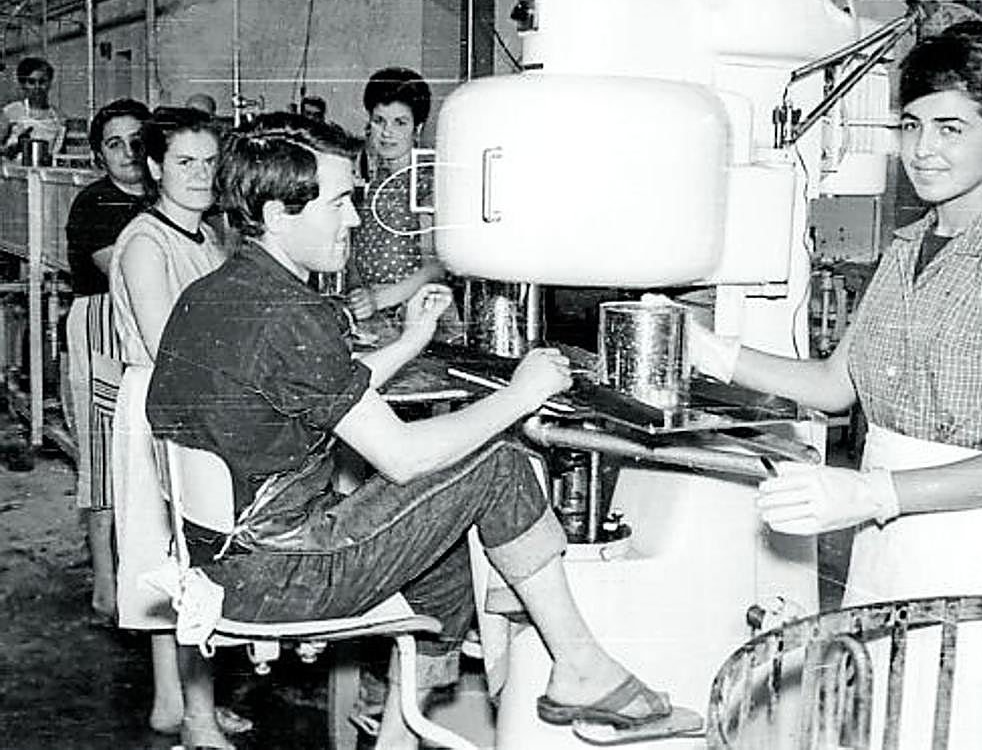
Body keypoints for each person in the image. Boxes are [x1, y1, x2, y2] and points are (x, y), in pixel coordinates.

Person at [145, 112, 673, 743]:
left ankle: (400, 734)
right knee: (495, 466)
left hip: (216, 560)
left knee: (442, 546)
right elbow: (400, 455)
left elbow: (314, 385)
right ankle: (581, 666)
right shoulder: (292, 315)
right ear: (280, 214)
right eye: (339, 202)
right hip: (282, 573)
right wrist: (521, 395)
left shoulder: (216, 292)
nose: (354, 219)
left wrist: (412, 339)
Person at [688, 22, 982, 748]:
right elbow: (837, 385)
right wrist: (709, 351)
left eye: (950, 129)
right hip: (891, 537)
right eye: (911, 125)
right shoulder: (904, 253)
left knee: (969, 727)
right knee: (890, 724)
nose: (923, 150)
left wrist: (874, 495)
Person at [108, 108, 248, 748]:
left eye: (209, 162)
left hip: (194, 401)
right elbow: (173, 346)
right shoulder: (145, 242)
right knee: (179, 559)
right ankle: (194, 716)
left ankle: (176, 702)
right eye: (184, 163)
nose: (200, 175)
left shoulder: (208, 236)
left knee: (183, 556)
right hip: (162, 403)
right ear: (157, 167)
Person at [64, 98, 152, 622]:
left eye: (137, 141)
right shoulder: (94, 203)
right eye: (114, 143)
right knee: (102, 451)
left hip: (154, 320)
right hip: (104, 320)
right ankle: (104, 582)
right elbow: (122, 270)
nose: (127, 152)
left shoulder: (166, 197)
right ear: (100, 153)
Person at [346, 67, 445, 323]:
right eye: (379, 121)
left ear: (418, 128)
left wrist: (380, 299)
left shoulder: (426, 182)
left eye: (400, 122)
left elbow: (437, 267)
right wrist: (360, 295)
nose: (387, 132)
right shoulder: (376, 182)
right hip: (375, 315)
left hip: (417, 315)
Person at [1, 56, 65, 158]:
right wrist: (15, 147)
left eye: (42, 82)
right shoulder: (11, 111)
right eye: (31, 82)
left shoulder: (58, 118)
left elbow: (59, 154)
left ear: (49, 83)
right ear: (23, 85)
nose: (37, 87)